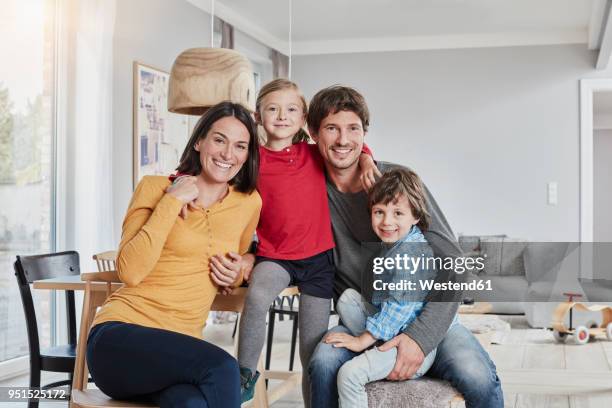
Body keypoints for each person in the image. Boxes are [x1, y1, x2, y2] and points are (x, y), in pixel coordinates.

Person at [306, 85, 503, 408]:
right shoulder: (309, 190)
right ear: (314, 134)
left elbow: (454, 267)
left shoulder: (397, 184)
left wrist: (419, 338)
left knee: (476, 375)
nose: (343, 140)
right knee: (324, 364)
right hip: (366, 316)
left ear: (364, 133)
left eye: (353, 128)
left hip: (424, 312)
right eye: (331, 128)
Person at [86, 102, 262, 408]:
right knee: (223, 368)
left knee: (191, 404)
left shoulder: (249, 203)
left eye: (240, 146)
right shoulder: (154, 188)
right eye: (219, 140)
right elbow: (131, 271)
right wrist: (171, 201)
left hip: (179, 355)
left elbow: (244, 256)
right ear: (199, 141)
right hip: (118, 340)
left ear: (248, 154)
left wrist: (245, 267)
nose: (227, 154)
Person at [236, 78, 379, 405]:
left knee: (312, 352)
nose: (282, 116)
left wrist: (368, 159)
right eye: (272, 109)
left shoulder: (313, 153)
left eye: (291, 110)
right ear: (258, 116)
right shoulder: (252, 160)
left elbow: (352, 145)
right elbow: (229, 192)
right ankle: (243, 373)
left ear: (303, 120)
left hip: (318, 262)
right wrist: (246, 253)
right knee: (257, 297)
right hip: (275, 258)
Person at [325, 168, 460, 408]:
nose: (387, 221)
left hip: (411, 344)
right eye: (379, 212)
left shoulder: (410, 255)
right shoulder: (397, 244)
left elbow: (399, 308)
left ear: (416, 216)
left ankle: (374, 346)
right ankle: (377, 345)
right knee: (347, 298)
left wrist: (361, 341)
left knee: (349, 375)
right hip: (392, 325)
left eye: (398, 213)